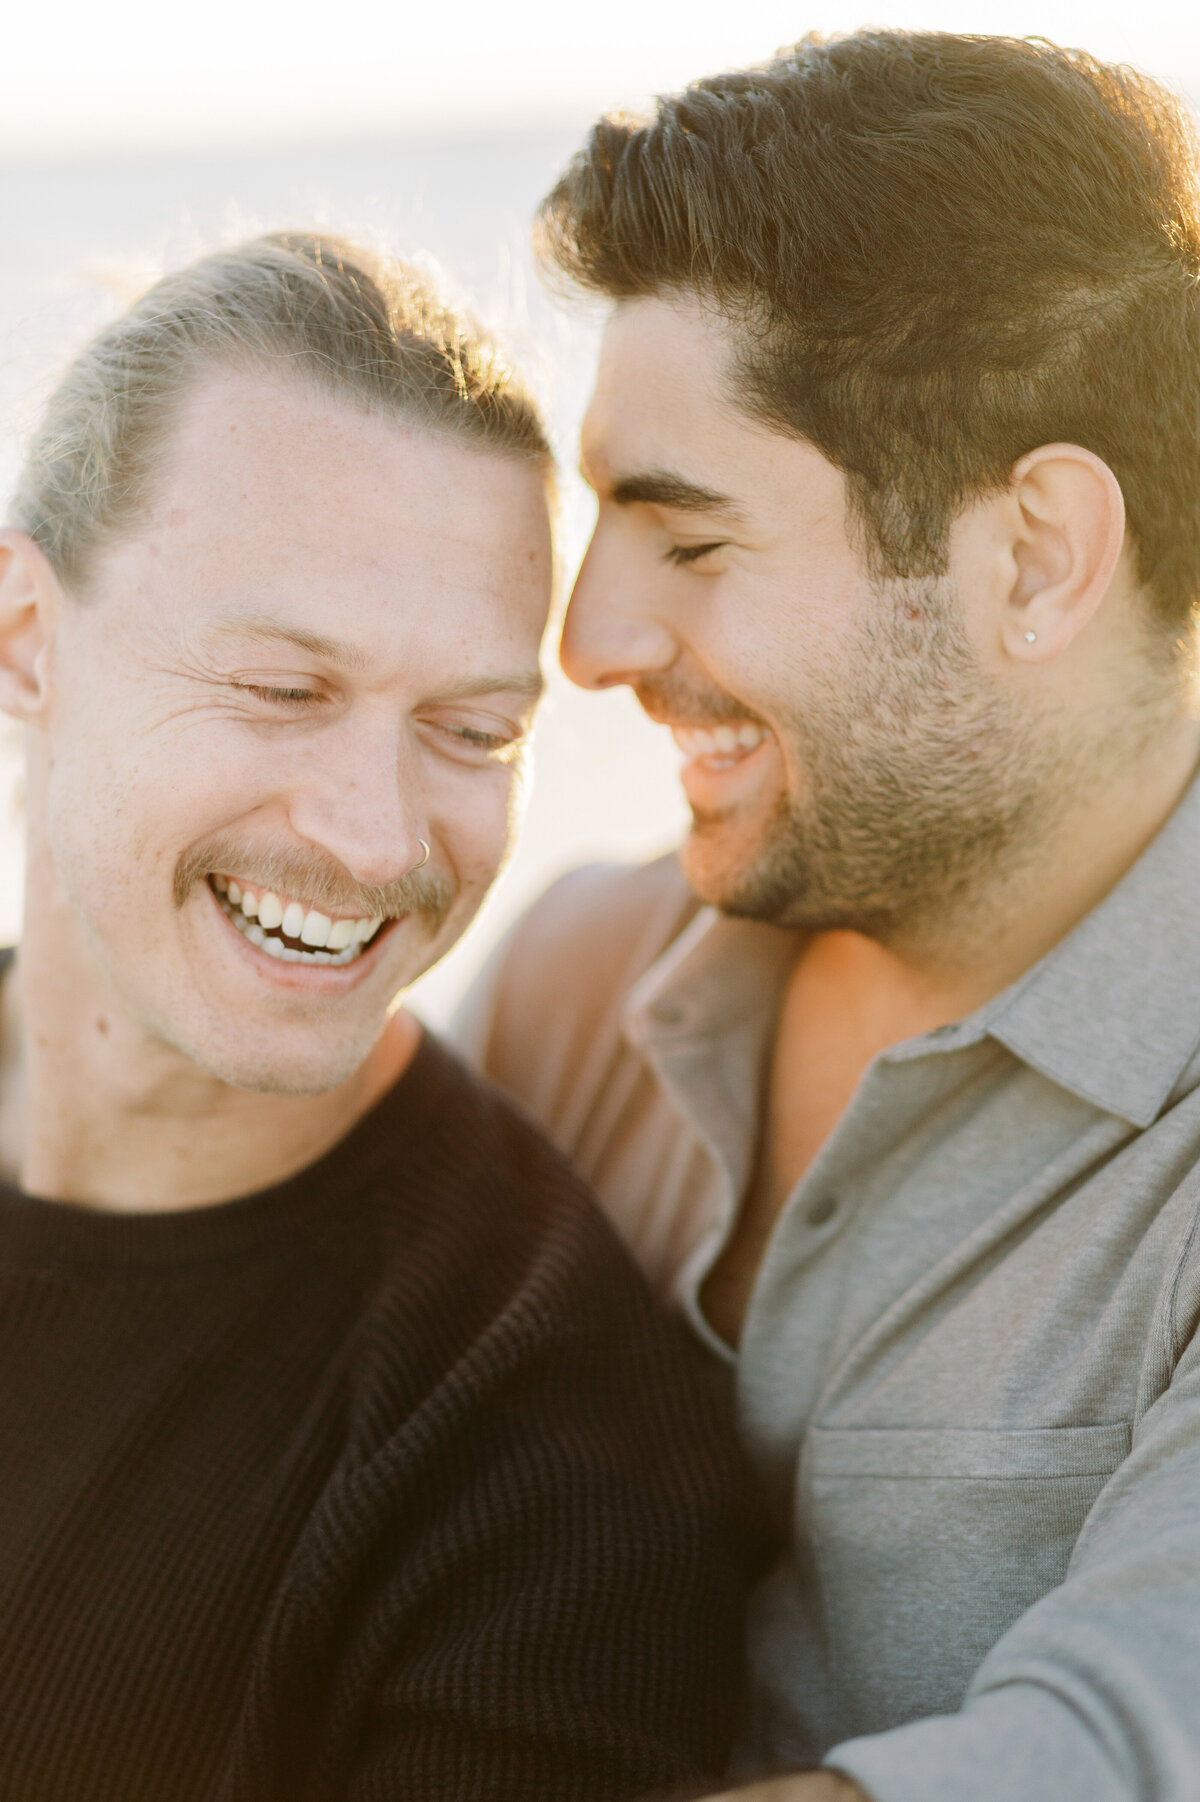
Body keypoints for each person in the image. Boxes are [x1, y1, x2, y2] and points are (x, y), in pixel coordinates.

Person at [458, 31, 1200, 1802]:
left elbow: (1109, 1757)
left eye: (689, 540)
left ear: (1032, 556)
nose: (588, 646)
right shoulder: (578, 983)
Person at [0, 230, 769, 1802]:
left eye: (469, 728)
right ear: (25, 643)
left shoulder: (548, 1475)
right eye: (284, 689)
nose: (373, 837)